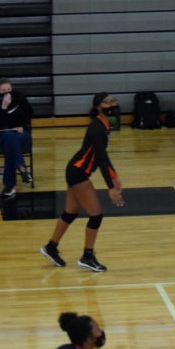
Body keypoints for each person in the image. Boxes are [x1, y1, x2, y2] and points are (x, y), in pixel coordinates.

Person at [40, 93, 124, 272]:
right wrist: (111, 187)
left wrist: (114, 176)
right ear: (98, 107)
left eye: (113, 100)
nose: (113, 104)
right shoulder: (97, 128)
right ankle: (87, 256)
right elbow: (101, 159)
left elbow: (103, 155)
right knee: (96, 215)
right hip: (78, 173)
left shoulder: (103, 125)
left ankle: (51, 247)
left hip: (75, 170)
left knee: (70, 212)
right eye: (108, 101)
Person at [0, 77, 33, 199]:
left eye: (9, 89)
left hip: (21, 134)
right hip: (3, 135)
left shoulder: (19, 97)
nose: (7, 92)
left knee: (11, 144)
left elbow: (29, 113)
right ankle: (21, 168)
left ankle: (10, 186)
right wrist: (4, 106)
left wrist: (22, 125)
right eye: (3, 90)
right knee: (10, 138)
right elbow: (0, 125)